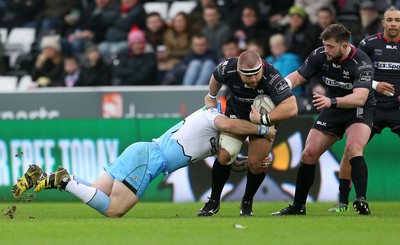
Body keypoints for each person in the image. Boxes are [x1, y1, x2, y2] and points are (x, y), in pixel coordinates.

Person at [12, 106, 276, 218]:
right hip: (149, 159)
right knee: (114, 210)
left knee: (95, 190)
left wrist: (254, 163)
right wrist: (263, 130)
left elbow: (226, 161)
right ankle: (64, 180)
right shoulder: (213, 117)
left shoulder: (218, 138)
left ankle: (40, 174)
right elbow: (229, 124)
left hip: (143, 152)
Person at [271, 23, 375, 216]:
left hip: (358, 108)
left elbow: (360, 98)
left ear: (344, 46)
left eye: (330, 46)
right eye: (325, 45)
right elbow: (298, 76)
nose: (326, 50)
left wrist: (331, 101)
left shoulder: (362, 62)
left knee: (354, 149)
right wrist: (279, 87)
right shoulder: (320, 54)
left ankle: (361, 200)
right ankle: (298, 206)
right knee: (308, 154)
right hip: (333, 106)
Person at [198, 50, 298, 216]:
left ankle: (247, 202)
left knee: (257, 164)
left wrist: (263, 120)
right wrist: (211, 95)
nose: (253, 79)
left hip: (264, 118)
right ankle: (213, 201)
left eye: (256, 74)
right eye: (248, 75)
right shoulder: (228, 68)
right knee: (224, 156)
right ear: (238, 71)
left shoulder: (272, 77)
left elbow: (292, 108)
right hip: (237, 113)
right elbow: (216, 76)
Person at [328, 7, 400, 213]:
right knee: (350, 150)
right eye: (390, 20)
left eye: (397, 20)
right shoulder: (368, 44)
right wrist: (376, 85)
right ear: (383, 23)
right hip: (372, 106)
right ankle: (343, 202)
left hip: (397, 107)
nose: (394, 24)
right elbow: (354, 73)